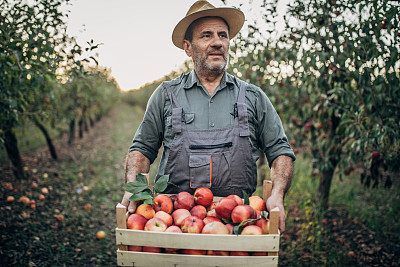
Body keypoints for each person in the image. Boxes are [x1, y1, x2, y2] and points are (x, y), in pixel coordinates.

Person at [121, 0, 295, 233]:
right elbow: (142, 149)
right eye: (206, 35)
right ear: (188, 47)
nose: (217, 42)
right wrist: (134, 189)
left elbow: (280, 152)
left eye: (223, 35)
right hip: (175, 222)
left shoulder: (253, 97)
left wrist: (277, 194)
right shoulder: (166, 95)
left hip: (239, 221)